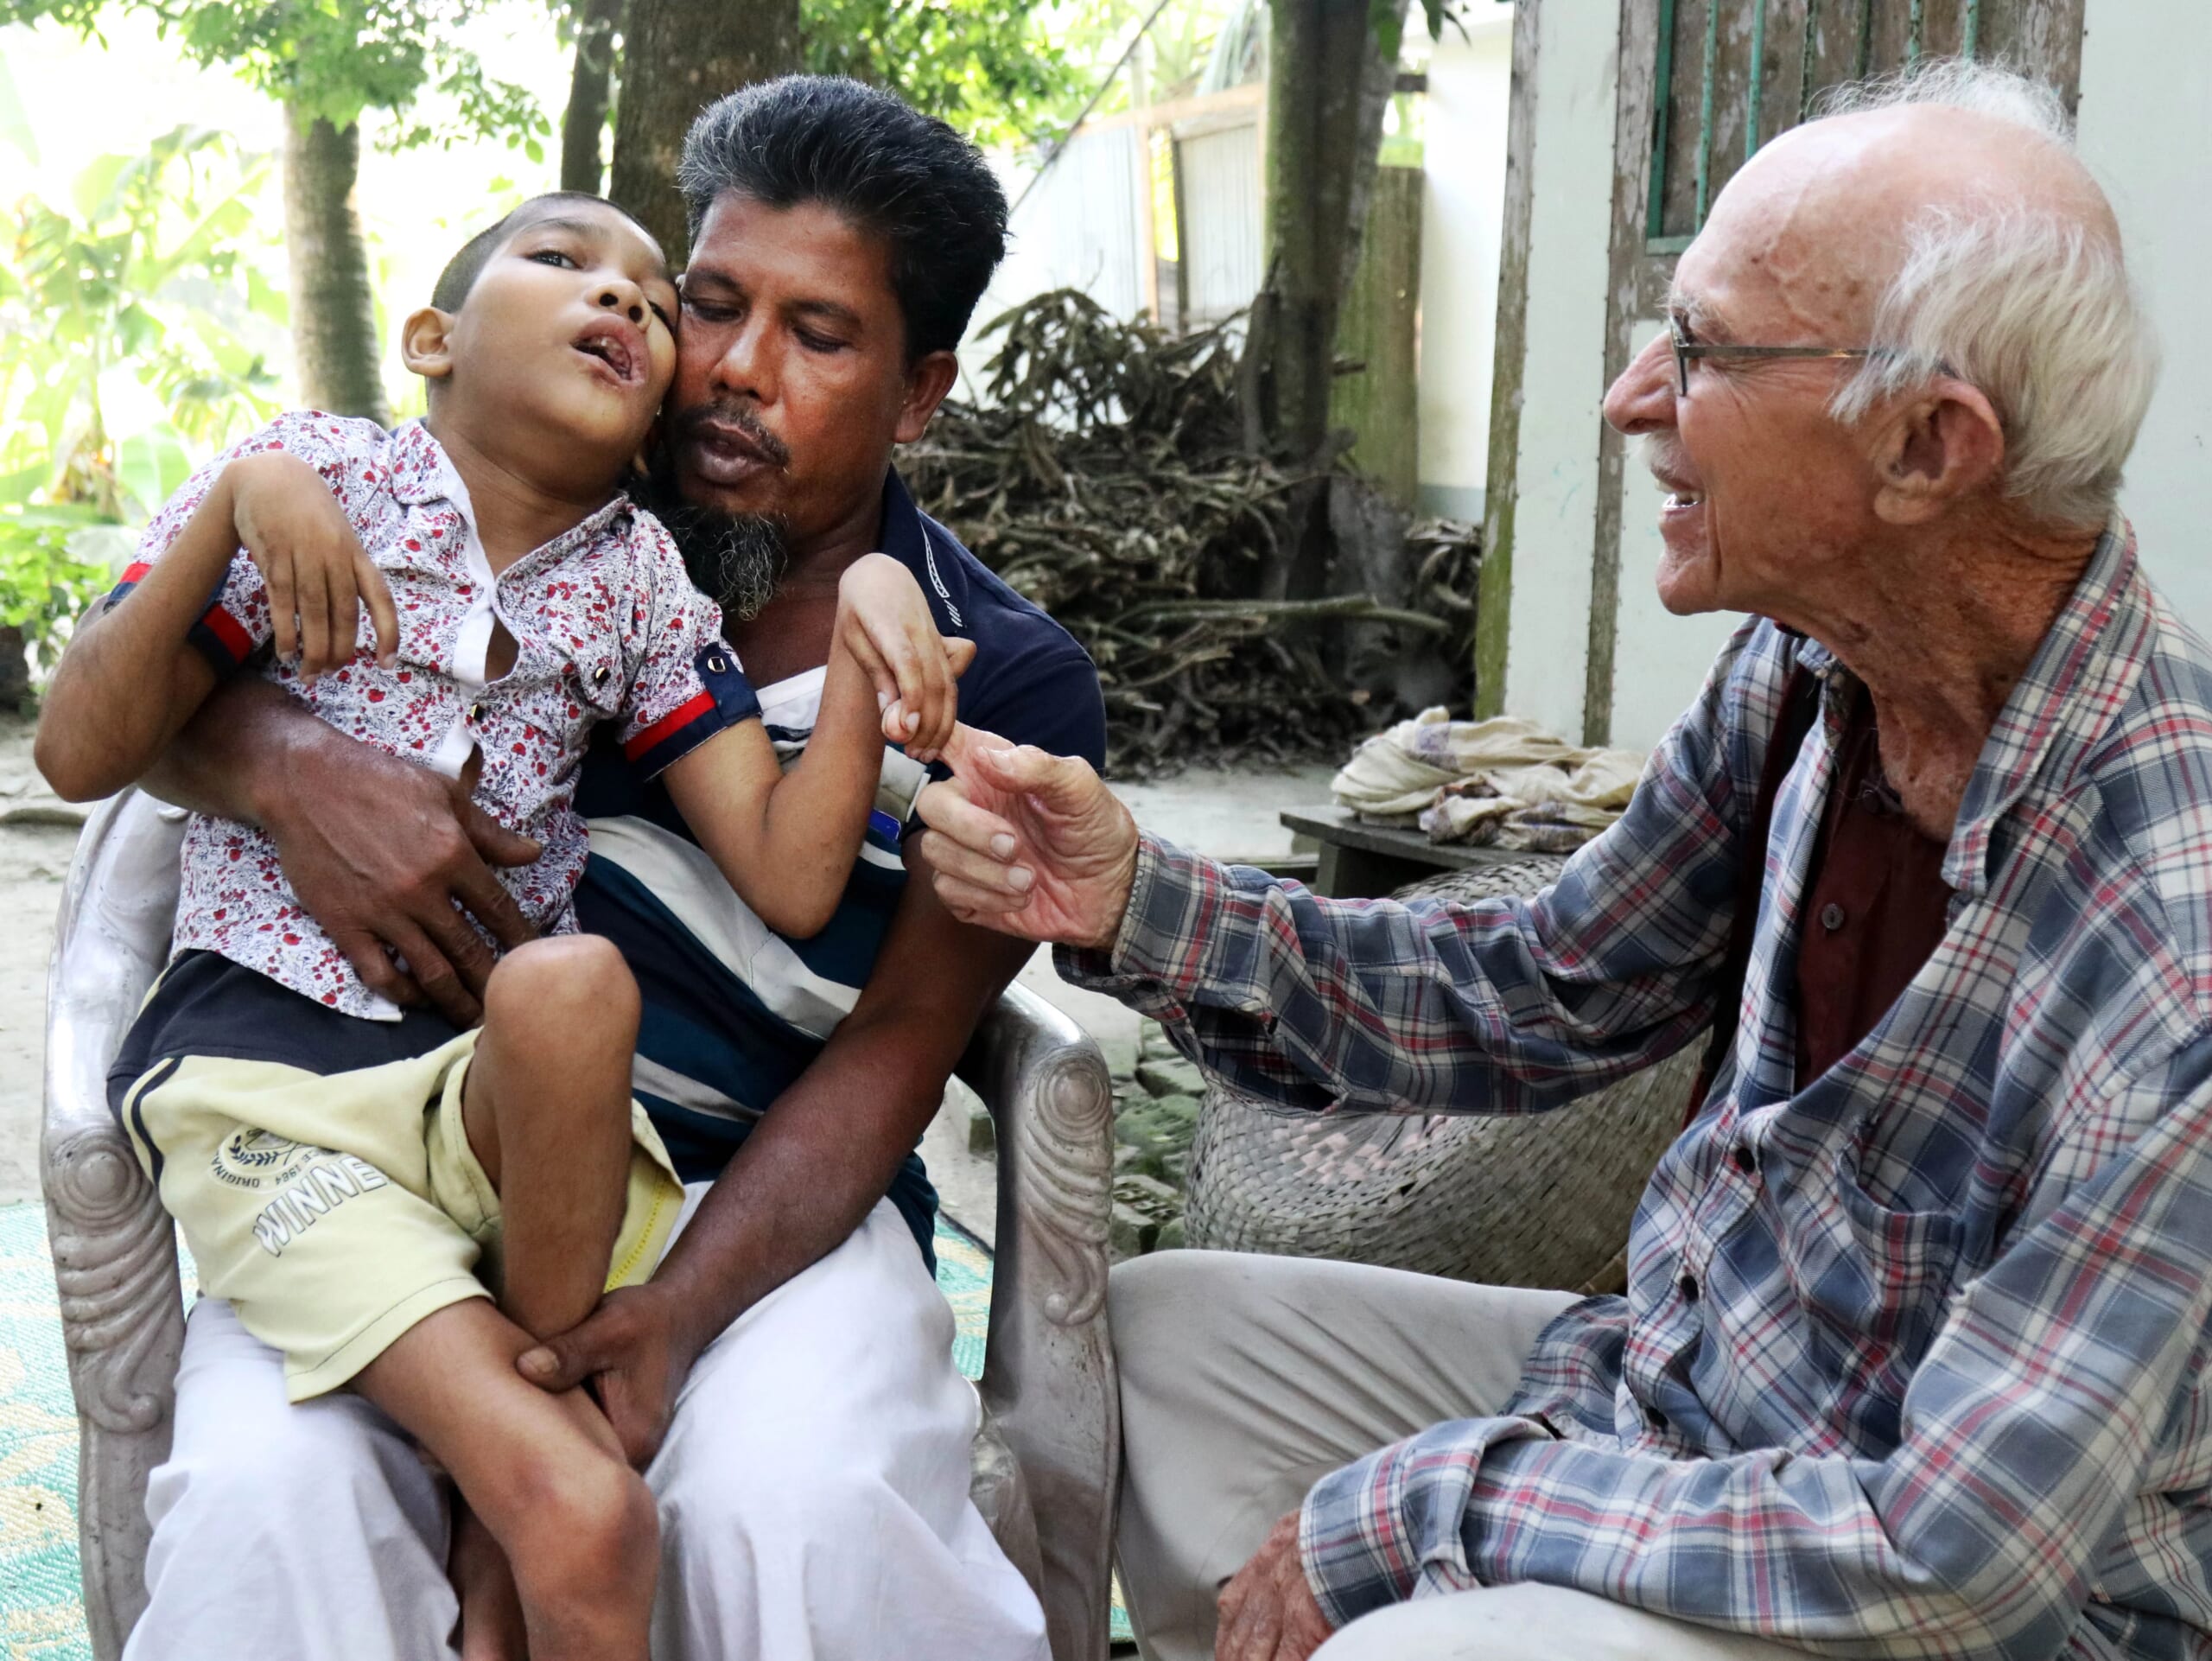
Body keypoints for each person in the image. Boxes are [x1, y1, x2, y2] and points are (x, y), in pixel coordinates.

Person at [916, 60, 2212, 1661]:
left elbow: (1949, 1560)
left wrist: (1441, 1504)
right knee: (1165, 1343)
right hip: (1686, 1402)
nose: (1632, 396)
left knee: (1414, 1636)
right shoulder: (1810, 674)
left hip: (1942, 1597)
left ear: (1927, 447)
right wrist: (1136, 897)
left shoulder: (2172, 924)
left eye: (1706, 350)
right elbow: (1541, 988)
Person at [110, 80, 1103, 1661]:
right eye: (712, 303)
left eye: (818, 335)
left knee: (801, 1502)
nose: (736, 369)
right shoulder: (542, 500)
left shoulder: (1001, 679)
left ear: (920, 391)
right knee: (268, 1500)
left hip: (758, 1208)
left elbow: (900, 1046)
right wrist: (299, 772)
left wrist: (672, 1315)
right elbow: (144, 706)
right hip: (397, 1138)